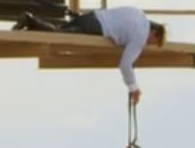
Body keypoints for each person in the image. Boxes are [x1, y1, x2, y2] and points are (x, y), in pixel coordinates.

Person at [15, 6, 166, 105]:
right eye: (153, 41)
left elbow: (120, 23)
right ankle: (29, 19)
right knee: (58, 37)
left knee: (57, 32)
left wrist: (118, 37)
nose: (149, 44)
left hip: (92, 17)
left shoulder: (138, 13)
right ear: (153, 31)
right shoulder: (141, 36)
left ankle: (29, 28)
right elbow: (125, 65)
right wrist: (134, 88)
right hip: (97, 28)